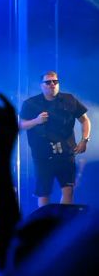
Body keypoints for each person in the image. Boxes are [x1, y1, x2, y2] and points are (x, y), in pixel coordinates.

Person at [19, 71, 91, 207]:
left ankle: (63, 222)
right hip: (42, 154)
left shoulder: (69, 99)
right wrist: (36, 120)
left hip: (66, 152)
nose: (52, 84)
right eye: (48, 82)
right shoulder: (31, 103)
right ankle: (45, 224)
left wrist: (84, 140)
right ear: (41, 85)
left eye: (55, 81)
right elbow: (21, 124)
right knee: (44, 193)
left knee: (68, 190)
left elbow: (85, 120)